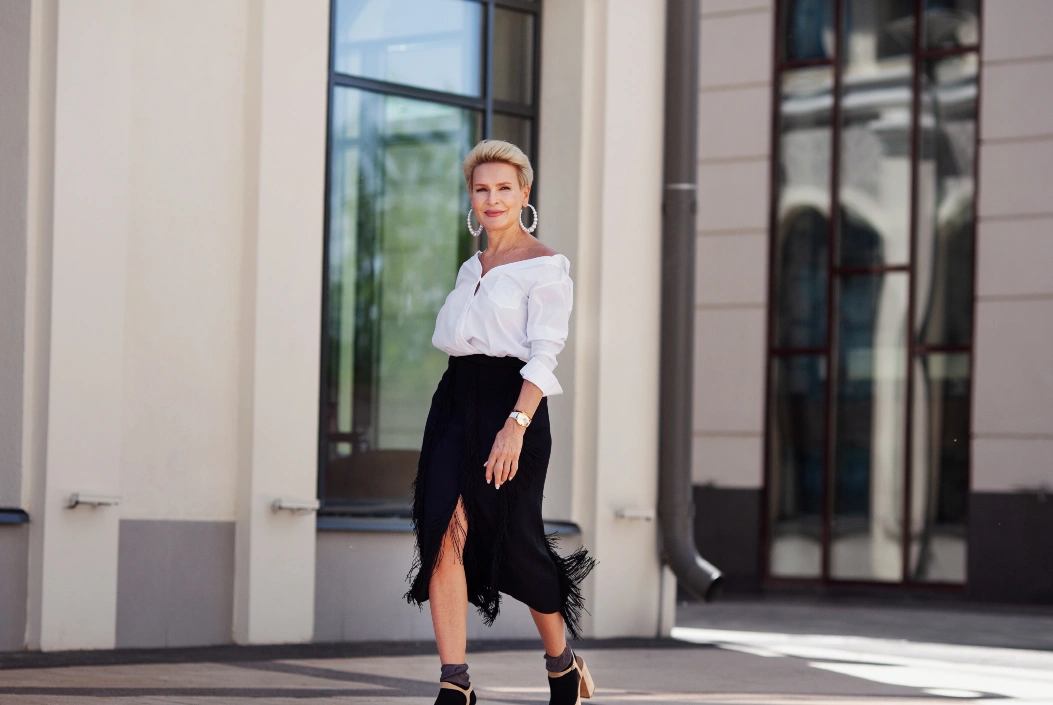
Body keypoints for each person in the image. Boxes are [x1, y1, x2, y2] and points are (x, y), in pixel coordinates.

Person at [404, 139, 597, 705]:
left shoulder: (546, 266)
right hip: (454, 404)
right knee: (443, 532)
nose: (492, 199)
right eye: (482, 189)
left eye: (504, 188)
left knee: (515, 542)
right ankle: (455, 682)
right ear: (471, 196)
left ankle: (562, 663)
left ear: (524, 193)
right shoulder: (471, 267)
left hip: (513, 406)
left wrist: (515, 424)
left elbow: (545, 353)